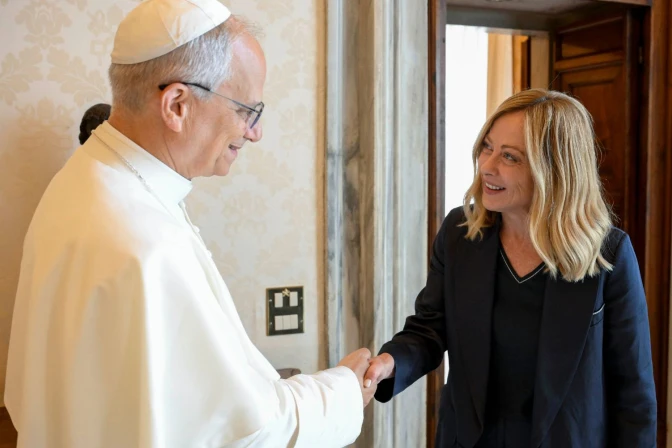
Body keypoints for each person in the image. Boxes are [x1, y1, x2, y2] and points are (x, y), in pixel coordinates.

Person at [5, 1, 374, 447]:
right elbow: (245, 431)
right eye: (246, 110)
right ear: (177, 105)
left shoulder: (84, 179)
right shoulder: (145, 245)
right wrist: (343, 391)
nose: (254, 132)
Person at [364, 89, 657, 447]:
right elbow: (430, 328)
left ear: (554, 170)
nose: (487, 166)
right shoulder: (459, 233)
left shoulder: (609, 254)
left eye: (509, 157)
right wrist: (390, 362)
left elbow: (633, 395)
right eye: (487, 147)